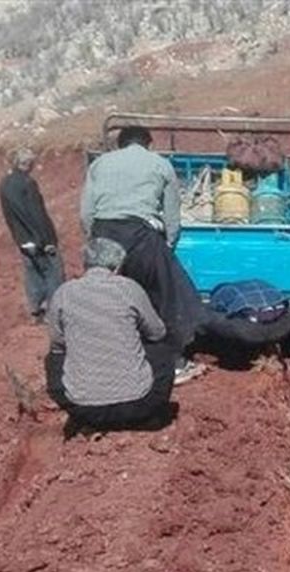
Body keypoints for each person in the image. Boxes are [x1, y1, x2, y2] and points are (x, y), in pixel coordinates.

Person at [80, 125, 206, 385]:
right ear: (148, 143)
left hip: (104, 233)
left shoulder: (99, 165)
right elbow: (172, 215)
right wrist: (167, 245)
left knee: (105, 298)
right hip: (141, 235)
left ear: (120, 144)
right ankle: (175, 363)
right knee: (166, 297)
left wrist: (96, 241)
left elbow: (86, 212)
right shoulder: (159, 164)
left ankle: (106, 364)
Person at [44, 238, 174, 432]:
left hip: (83, 407)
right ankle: (146, 418)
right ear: (118, 265)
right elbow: (157, 332)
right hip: (139, 403)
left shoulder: (64, 293)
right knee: (161, 349)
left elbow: (57, 344)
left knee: (54, 358)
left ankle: (89, 420)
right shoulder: (128, 288)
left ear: (86, 264)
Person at [0, 148, 64, 322]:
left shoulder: (4, 184)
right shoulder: (28, 183)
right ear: (26, 164)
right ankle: (53, 311)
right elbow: (37, 214)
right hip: (39, 238)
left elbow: (9, 216)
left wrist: (20, 239)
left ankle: (36, 310)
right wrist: (47, 240)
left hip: (22, 239)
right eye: (32, 164)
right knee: (53, 273)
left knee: (32, 273)